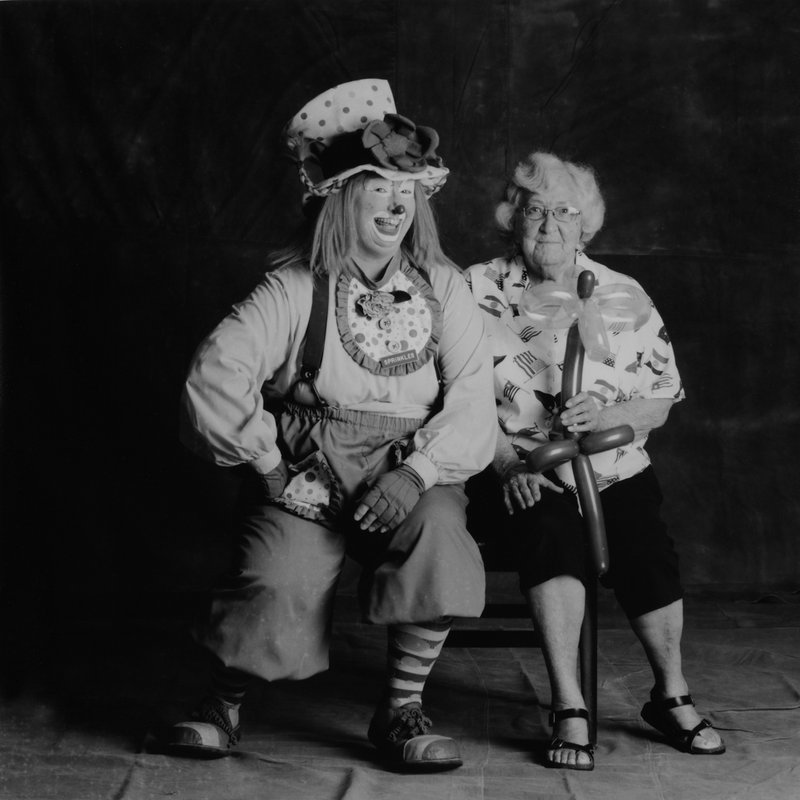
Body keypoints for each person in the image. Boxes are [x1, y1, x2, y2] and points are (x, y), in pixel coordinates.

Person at [163, 79, 495, 771]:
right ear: (342, 195)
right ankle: (221, 705)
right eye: (378, 184)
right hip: (307, 465)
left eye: (407, 185)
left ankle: (401, 710)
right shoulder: (293, 286)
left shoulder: (446, 287)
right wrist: (271, 467)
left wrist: (416, 472)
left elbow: (472, 396)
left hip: (409, 464)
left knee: (441, 537)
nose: (397, 200)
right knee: (276, 576)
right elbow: (214, 376)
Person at [464, 151, 725, 770]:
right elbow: (452, 396)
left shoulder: (623, 293)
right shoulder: (475, 289)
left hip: (612, 467)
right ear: (514, 219)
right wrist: (505, 463)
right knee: (550, 532)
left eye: (564, 213)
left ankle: (669, 694)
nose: (549, 225)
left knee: (644, 545)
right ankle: (569, 705)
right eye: (535, 212)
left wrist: (612, 418)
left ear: (586, 224)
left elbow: (661, 398)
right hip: (520, 469)